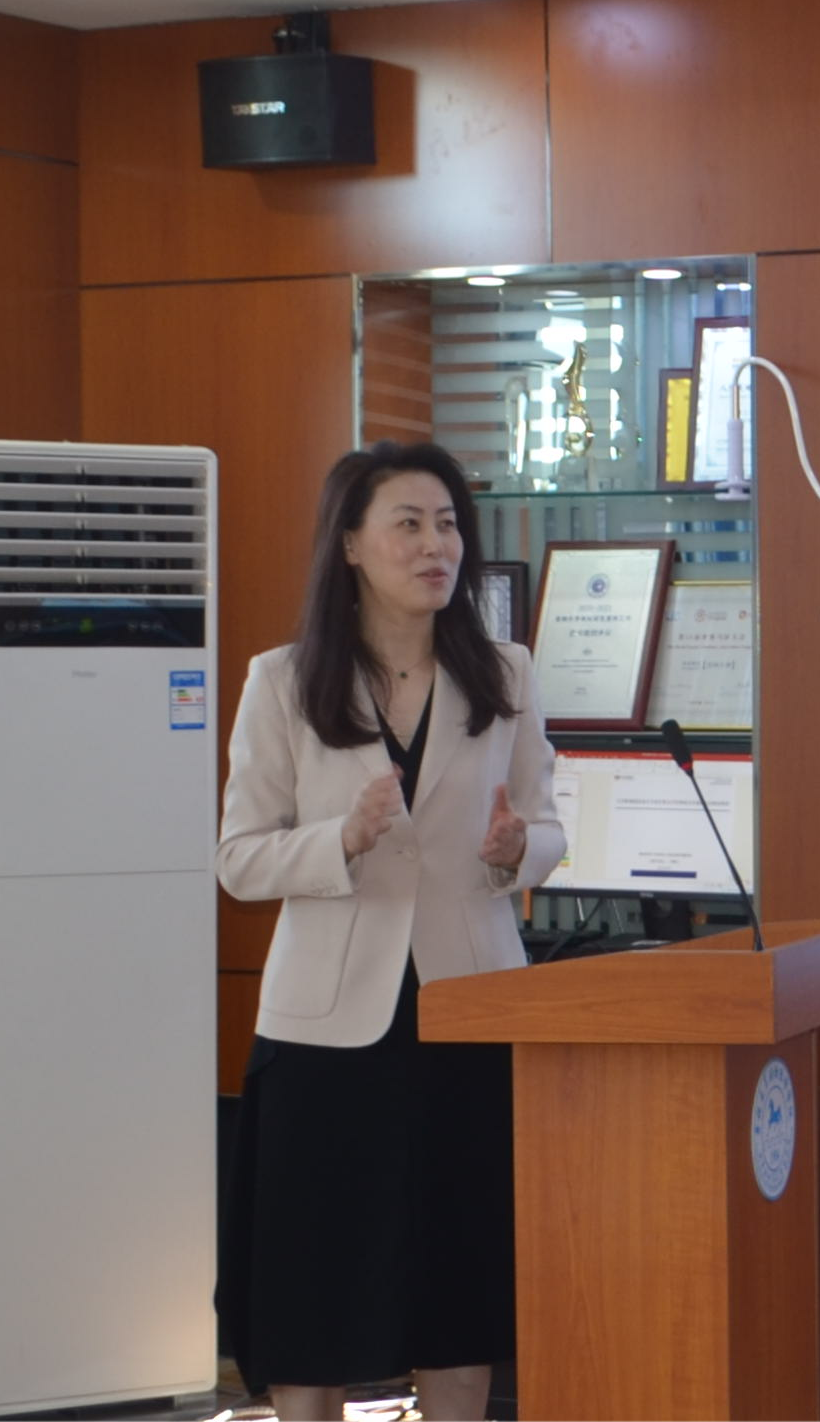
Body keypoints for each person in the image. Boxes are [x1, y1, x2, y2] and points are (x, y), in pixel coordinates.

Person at [215, 442, 566, 1422]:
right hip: (327, 1028)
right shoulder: (285, 680)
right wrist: (341, 837)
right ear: (351, 545)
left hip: (469, 1008)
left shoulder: (505, 672)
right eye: (408, 524)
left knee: (458, 1285)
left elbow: (547, 824)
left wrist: (518, 849)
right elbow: (239, 859)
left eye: (447, 524)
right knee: (314, 1284)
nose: (434, 545)